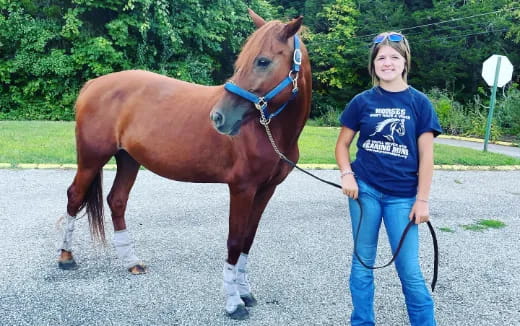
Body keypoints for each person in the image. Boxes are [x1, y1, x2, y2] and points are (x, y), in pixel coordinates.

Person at [335, 31, 442, 326]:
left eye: (394, 56)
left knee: (409, 270)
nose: (388, 62)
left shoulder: (420, 104)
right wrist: (347, 175)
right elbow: (342, 145)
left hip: (404, 198)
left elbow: (427, 157)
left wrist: (422, 200)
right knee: (362, 263)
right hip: (364, 191)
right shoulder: (361, 101)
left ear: (405, 62)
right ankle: (362, 322)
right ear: (373, 64)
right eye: (381, 57)